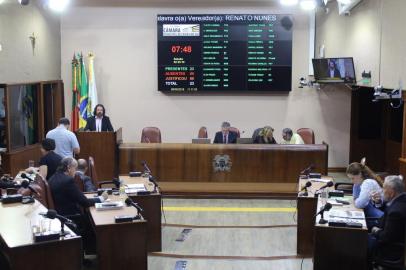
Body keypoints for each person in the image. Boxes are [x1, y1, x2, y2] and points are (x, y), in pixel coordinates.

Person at [369, 175, 406, 266]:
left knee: (356, 242)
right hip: (389, 236)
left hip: (389, 249)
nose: (382, 191)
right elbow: (388, 207)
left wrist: (375, 230)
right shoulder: (401, 199)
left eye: (384, 188)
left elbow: (386, 237)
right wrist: (378, 202)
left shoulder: (396, 212)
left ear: (391, 192)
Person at [346, 158, 384, 228]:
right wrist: (356, 200)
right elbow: (355, 198)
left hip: (380, 215)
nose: (351, 181)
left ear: (360, 174)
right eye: (350, 178)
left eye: (353, 178)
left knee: (351, 224)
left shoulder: (368, 183)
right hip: (373, 210)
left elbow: (359, 204)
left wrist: (356, 200)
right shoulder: (358, 182)